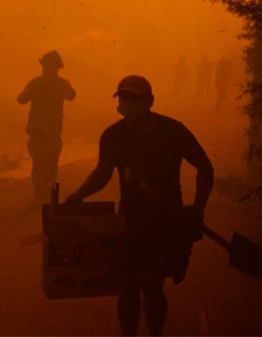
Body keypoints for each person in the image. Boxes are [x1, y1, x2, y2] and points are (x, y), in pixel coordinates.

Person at [65, 75, 213, 336]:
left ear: (150, 101)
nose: (129, 103)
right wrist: (79, 194)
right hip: (130, 221)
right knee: (128, 286)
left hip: (166, 220)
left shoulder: (173, 131)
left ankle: (155, 333)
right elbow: (103, 172)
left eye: (135, 98)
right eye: (124, 98)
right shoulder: (113, 136)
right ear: (118, 103)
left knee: (153, 285)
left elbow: (205, 167)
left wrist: (198, 209)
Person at [17, 50, 76, 204]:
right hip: (47, 132)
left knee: (42, 165)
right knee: (46, 165)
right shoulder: (58, 83)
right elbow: (71, 95)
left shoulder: (38, 83)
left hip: (43, 132)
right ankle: (44, 196)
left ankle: (42, 196)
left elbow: (21, 99)